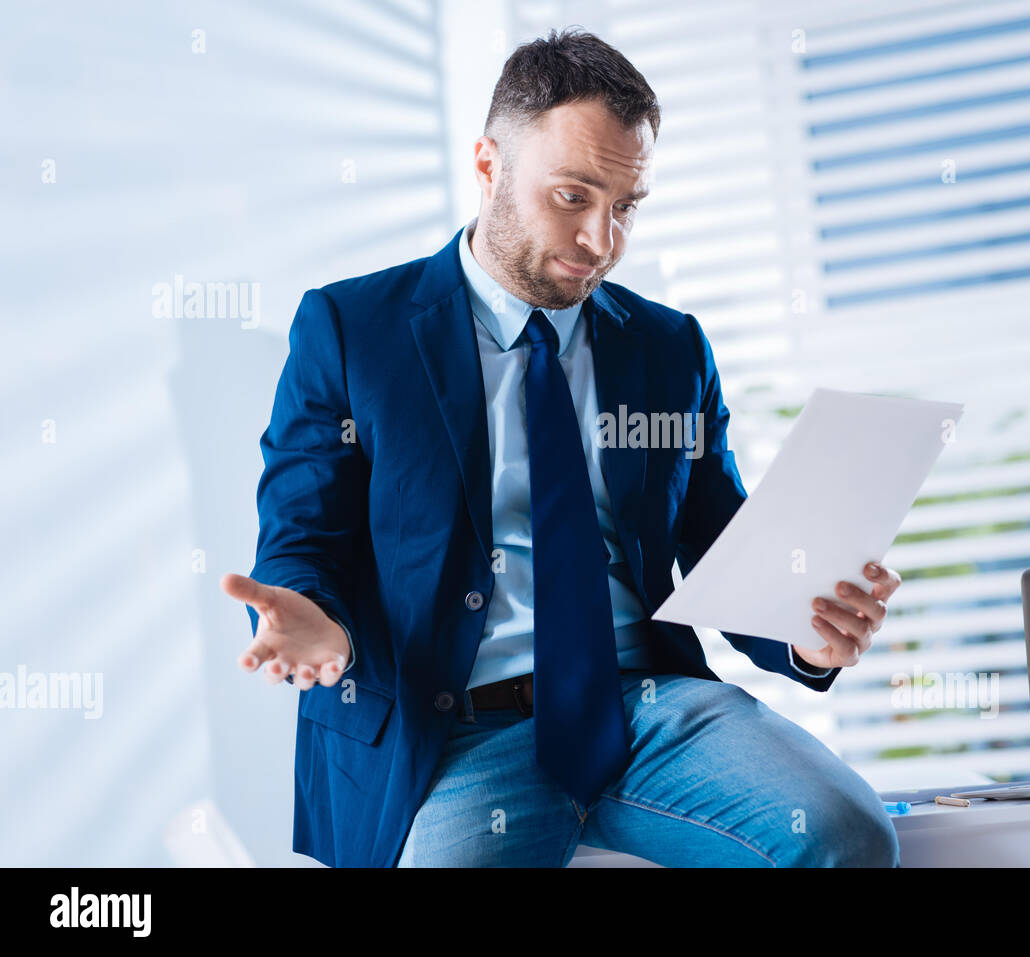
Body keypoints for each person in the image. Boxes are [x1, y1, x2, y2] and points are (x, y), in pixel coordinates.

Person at [221, 27, 901, 868]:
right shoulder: (353, 330)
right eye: (573, 196)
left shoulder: (669, 348)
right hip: (459, 731)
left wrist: (805, 635)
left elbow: (726, 549)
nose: (601, 241)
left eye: (626, 207)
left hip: (648, 710)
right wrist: (321, 625)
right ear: (487, 166)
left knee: (848, 836)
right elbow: (303, 538)